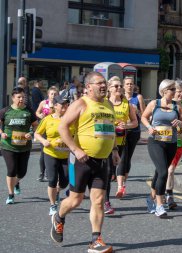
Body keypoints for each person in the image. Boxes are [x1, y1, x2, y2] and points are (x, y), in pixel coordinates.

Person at [50, 71, 120, 253]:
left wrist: (114, 150)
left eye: (104, 83)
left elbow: (110, 128)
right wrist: (76, 149)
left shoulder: (109, 105)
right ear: (88, 87)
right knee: (75, 200)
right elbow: (62, 126)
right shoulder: (80, 104)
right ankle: (58, 216)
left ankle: (95, 240)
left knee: (97, 201)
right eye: (99, 83)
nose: (103, 86)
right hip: (80, 160)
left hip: (103, 161)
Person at [141, 79, 182, 217]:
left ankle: (151, 198)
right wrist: (149, 127)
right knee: (163, 172)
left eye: (175, 89)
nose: (175, 92)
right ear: (164, 91)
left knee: (158, 173)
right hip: (155, 142)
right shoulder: (154, 104)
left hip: (171, 143)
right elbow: (143, 117)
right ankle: (160, 205)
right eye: (172, 89)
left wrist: (180, 123)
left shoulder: (177, 107)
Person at [34, 95, 72, 215]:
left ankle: (57, 191)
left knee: (65, 181)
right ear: (55, 106)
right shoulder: (47, 119)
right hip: (50, 153)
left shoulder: (71, 120)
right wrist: (44, 141)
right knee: (52, 179)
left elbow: (77, 135)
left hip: (66, 155)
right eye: (62, 105)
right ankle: (53, 205)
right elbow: (37, 134)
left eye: (67, 105)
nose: (65, 108)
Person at [105, 76, 137, 215]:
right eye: (116, 86)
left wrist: (126, 125)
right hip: (106, 142)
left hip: (121, 141)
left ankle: (119, 187)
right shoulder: (104, 103)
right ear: (109, 88)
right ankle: (105, 200)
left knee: (121, 165)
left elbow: (135, 122)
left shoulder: (127, 104)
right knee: (107, 172)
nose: (119, 88)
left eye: (120, 86)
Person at [0, 87, 38, 204]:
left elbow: (36, 125)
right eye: (19, 97)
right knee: (11, 170)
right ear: (13, 98)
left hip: (24, 146)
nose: (21, 99)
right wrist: (2, 133)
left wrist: (31, 133)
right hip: (8, 146)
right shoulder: (5, 111)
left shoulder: (29, 111)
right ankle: (10, 195)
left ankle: (16, 182)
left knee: (22, 172)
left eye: (23, 97)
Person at [164, 80, 182, 209]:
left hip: (180, 143)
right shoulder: (168, 104)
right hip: (166, 141)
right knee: (166, 170)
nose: (180, 94)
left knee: (170, 170)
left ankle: (167, 195)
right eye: (178, 91)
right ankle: (162, 194)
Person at [124, 77, 146, 192]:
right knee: (117, 155)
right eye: (127, 84)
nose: (129, 86)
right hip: (120, 131)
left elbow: (144, 114)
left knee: (127, 157)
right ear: (124, 86)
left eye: (131, 84)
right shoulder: (120, 98)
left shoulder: (138, 97)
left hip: (134, 131)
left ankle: (122, 182)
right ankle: (115, 173)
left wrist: (137, 112)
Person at [35, 86, 59, 182]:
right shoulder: (44, 103)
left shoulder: (59, 104)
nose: (53, 96)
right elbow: (37, 112)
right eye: (51, 94)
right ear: (48, 94)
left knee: (55, 150)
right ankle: (42, 173)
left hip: (55, 130)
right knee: (43, 151)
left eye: (55, 94)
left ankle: (52, 172)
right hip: (45, 129)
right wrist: (39, 115)